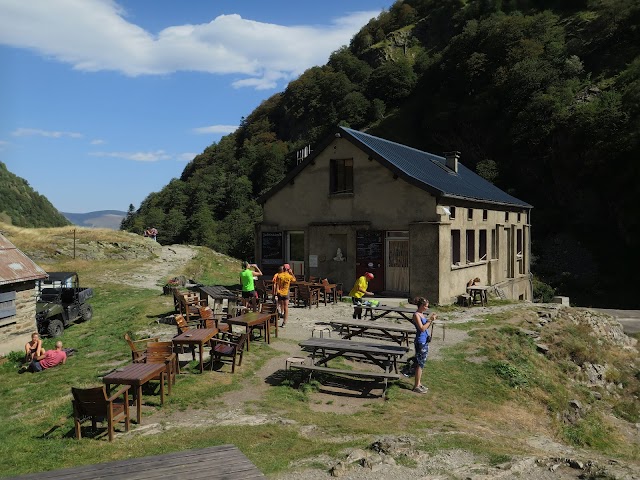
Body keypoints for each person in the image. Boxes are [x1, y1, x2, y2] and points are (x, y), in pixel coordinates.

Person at [412, 297, 437, 394]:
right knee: (419, 363)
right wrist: (430, 320)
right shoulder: (416, 315)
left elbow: (426, 327)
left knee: (422, 363)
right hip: (420, 341)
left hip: (424, 341)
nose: (427, 308)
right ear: (421, 306)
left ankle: (418, 383)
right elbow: (422, 328)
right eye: (425, 306)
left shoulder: (421, 314)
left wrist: (431, 320)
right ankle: (416, 386)